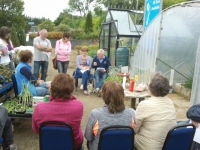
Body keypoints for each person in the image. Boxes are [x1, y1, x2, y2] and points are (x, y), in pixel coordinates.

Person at [32, 73, 84, 150]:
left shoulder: (40, 107)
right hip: (73, 145)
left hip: (48, 145)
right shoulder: (78, 105)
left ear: (51, 88)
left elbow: (36, 130)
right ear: (71, 90)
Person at [85, 81, 136, 150]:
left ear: (104, 96)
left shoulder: (95, 114)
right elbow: (133, 133)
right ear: (122, 95)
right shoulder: (131, 113)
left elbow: (88, 137)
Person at [134, 72, 177, 150]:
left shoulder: (144, 105)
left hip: (149, 147)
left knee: (127, 137)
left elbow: (135, 129)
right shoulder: (170, 102)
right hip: (168, 145)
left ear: (151, 88)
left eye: (148, 84)